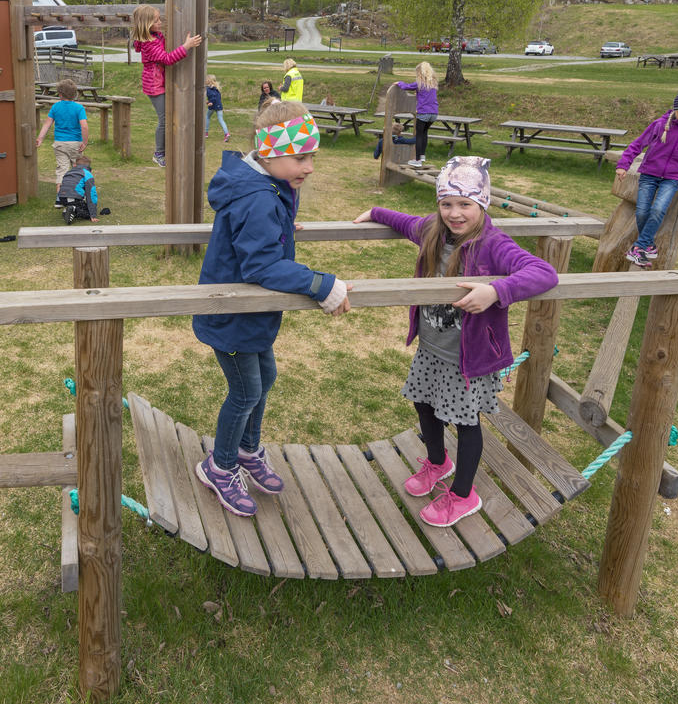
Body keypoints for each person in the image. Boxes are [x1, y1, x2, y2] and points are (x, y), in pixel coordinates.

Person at [353, 156, 557, 527]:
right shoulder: (433, 231)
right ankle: (437, 462)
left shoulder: (495, 244)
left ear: (483, 203)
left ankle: (464, 495)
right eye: (447, 203)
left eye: (465, 204)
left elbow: (544, 273)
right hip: (432, 348)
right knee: (424, 405)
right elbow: (406, 222)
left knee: (465, 422)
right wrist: (375, 211)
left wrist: (497, 292)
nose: (455, 213)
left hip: (469, 360)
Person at [192, 100, 352, 517]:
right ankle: (220, 465)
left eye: (312, 156)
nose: (310, 167)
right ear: (269, 153)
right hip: (231, 316)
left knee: (265, 378)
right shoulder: (258, 198)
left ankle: (247, 450)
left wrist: (280, 225)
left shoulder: (266, 189)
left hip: (250, 317)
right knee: (245, 391)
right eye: (302, 157)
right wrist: (323, 285)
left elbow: (258, 233)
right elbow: (261, 265)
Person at [615, 86, 678, 269]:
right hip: (649, 173)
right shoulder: (660, 124)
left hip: (673, 178)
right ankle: (650, 245)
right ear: (674, 109)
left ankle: (639, 248)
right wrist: (624, 165)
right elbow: (638, 144)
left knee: (658, 210)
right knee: (642, 212)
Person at [130, 4, 202, 168]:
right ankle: (159, 153)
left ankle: (163, 149)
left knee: (167, 117)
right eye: (156, 21)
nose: (160, 22)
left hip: (158, 81)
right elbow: (167, 59)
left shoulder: (155, 37)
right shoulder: (149, 43)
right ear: (147, 25)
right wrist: (186, 46)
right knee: (164, 119)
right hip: (154, 85)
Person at [34, 78, 89, 206]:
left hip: (59, 144)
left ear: (60, 94)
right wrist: (84, 142)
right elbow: (84, 126)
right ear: (74, 94)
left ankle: (60, 199)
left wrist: (40, 138)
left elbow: (47, 124)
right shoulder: (79, 108)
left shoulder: (55, 106)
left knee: (62, 170)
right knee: (77, 169)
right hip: (75, 143)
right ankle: (78, 195)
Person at [395, 60, 439, 168]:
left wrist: (398, 83)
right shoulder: (433, 84)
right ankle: (422, 155)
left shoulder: (419, 83)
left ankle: (417, 160)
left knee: (419, 135)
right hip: (434, 113)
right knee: (424, 133)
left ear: (419, 73)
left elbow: (406, 86)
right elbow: (426, 95)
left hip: (423, 113)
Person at [56, 155, 109, 224]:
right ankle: (74, 210)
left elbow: (63, 185)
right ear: (88, 167)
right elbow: (91, 194)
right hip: (74, 197)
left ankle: (68, 210)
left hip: (62, 198)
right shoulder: (87, 174)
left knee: (77, 203)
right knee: (87, 213)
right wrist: (92, 215)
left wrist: (58, 202)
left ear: (75, 164)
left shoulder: (69, 172)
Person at [204, 74, 230, 142]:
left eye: (206, 79)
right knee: (221, 120)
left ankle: (206, 133)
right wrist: (209, 102)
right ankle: (227, 134)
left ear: (208, 81)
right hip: (219, 105)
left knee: (207, 117)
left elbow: (213, 97)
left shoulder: (209, 89)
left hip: (213, 106)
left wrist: (211, 102)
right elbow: (217, 97)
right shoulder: (216, 88)